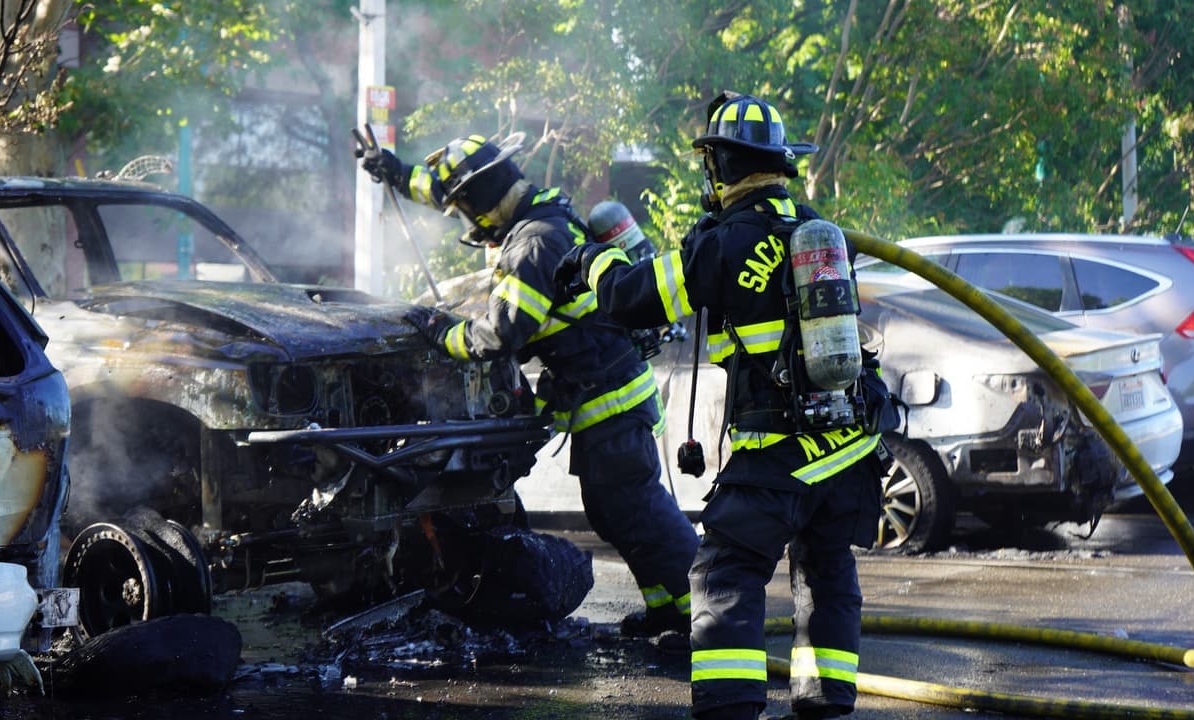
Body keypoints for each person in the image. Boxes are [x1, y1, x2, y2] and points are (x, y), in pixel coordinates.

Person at [554, 92, 891, 719]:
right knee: (824, 565)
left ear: (721, 166)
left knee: (725, 574)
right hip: (848, 442)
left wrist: (591, 259)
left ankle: (730, 707)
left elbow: (632, 298)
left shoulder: (727, 242)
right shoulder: (814, 226)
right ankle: (825, 696)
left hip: (780, 449)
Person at [357, 133, 700, 641]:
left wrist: (440, 332)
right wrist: (396, 170)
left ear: (482, 198)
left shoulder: (534, 242)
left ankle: (706, 613)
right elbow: (454, 190)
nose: (466, 222)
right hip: (599, 398)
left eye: (466, 209)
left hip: (611, 401)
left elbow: (501, 333)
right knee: (615, 516)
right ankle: (669, 609)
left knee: (639, 512)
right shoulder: (530, 213)